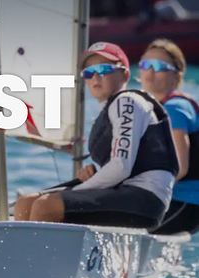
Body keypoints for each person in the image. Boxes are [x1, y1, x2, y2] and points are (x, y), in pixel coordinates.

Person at [14, 42, 178, 229]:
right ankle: (29, 256)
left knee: (46, 205)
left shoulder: (127, 102)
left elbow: (121, 168)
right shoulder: (110, 109)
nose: (95, 77)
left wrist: (80, 189)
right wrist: (92, 176)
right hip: (125, 191)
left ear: (125, 74)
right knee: (25, 203)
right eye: (89, 73)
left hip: (146, 198)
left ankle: (42, 257)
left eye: (104, 69)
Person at [139, 39, 199, 235]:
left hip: (184, 202)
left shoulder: (174, 108)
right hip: (178, 202)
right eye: (146, 64)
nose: (150, 71)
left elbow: (179, 168)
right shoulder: (156, 107)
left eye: (159, 66)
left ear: (177, 76)